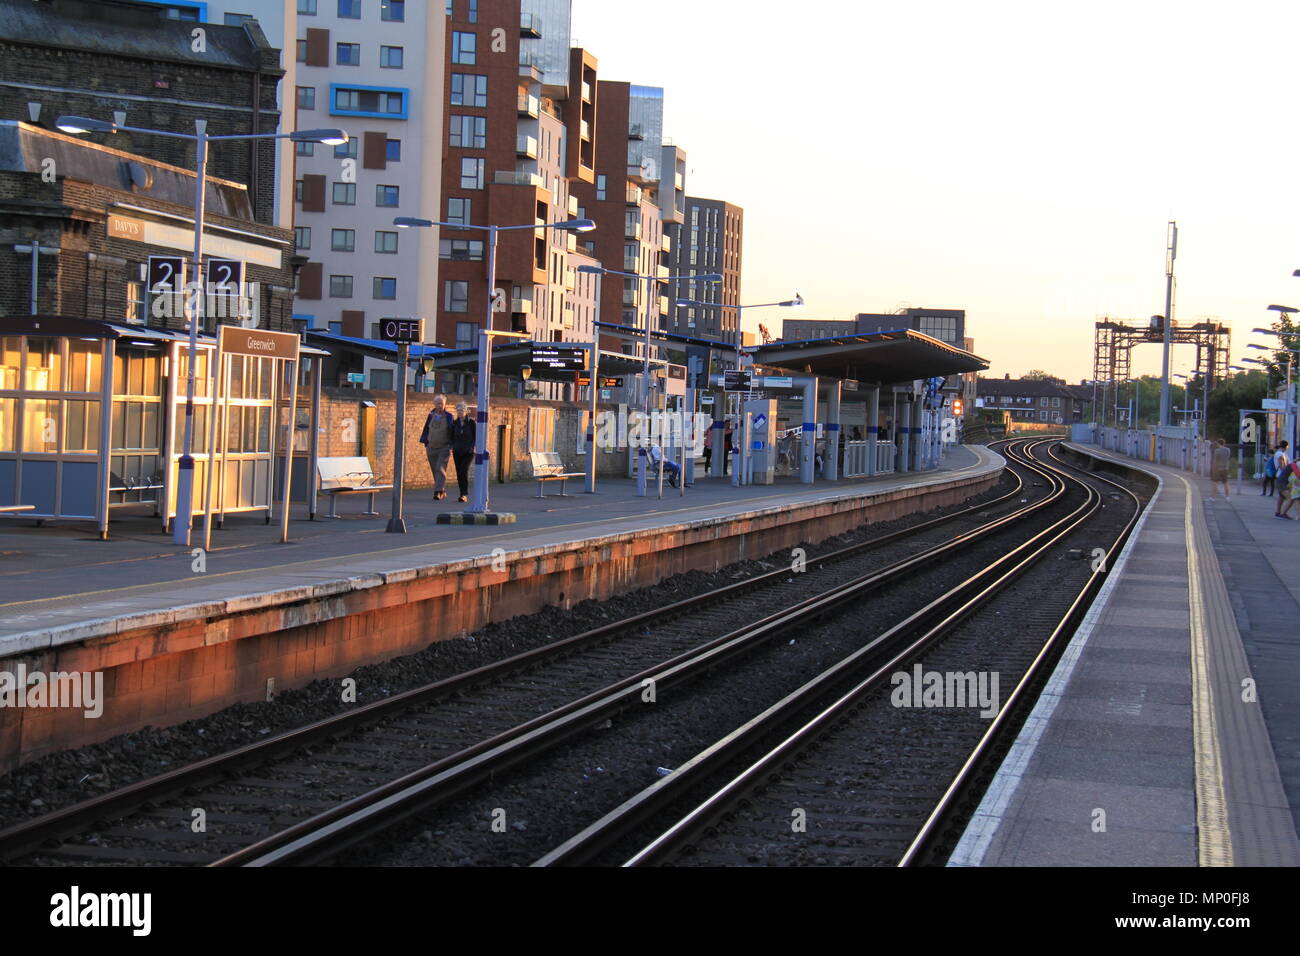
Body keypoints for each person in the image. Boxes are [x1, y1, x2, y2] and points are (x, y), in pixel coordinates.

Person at [419, 394, 456, 500]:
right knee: (435, 469)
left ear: (445, 404)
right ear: (434, 404)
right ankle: (441, 489)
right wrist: (426, 443)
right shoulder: (431, 415)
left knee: (440, 468)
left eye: (442, 403)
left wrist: (451, 445)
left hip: (444, 447)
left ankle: (438, 492)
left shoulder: (449, 416)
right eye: (438, 403)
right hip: (431, 446)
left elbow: (452, 431)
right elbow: (426, 428)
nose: (440, 405)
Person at [450, 402, 476, 503]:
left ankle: (464, 494)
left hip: (468, 452)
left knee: (463, 471)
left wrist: (472, 447)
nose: (460, 412)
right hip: (457, 451)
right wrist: (452, 446)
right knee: (458, 473)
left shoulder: (471, 423)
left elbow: (475, 436)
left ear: (466, 411)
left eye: (462, 410)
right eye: (458, 410)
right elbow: (451, 436)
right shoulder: (454, 423)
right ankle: (461, 493)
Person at [1273, 441, 1291, 517]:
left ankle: (1278, 512)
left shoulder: (1281, 453)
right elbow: (1282, 467)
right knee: (1290, 497)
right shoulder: (1280, 454)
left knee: (1282, 496)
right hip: (1282, 477)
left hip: (1281, 476)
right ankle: (1283, 513)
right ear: (1286, 446)